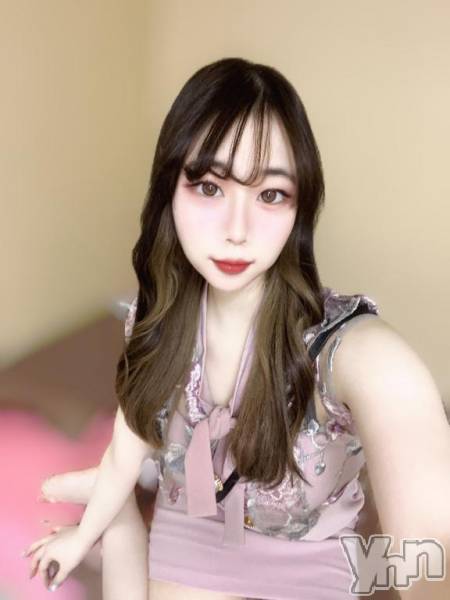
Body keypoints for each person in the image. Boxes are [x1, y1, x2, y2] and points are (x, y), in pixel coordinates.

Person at [24, 57, 450, 600]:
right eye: (209, 187)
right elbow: (125, 445)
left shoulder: (359, 357)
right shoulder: (156, 324)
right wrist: (84, 534)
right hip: (192, 537)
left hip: (312, 567)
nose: (237, 230)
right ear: (169, 188)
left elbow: (432, 556)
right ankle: (120, 514)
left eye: (271, 195)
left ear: (299, 208)